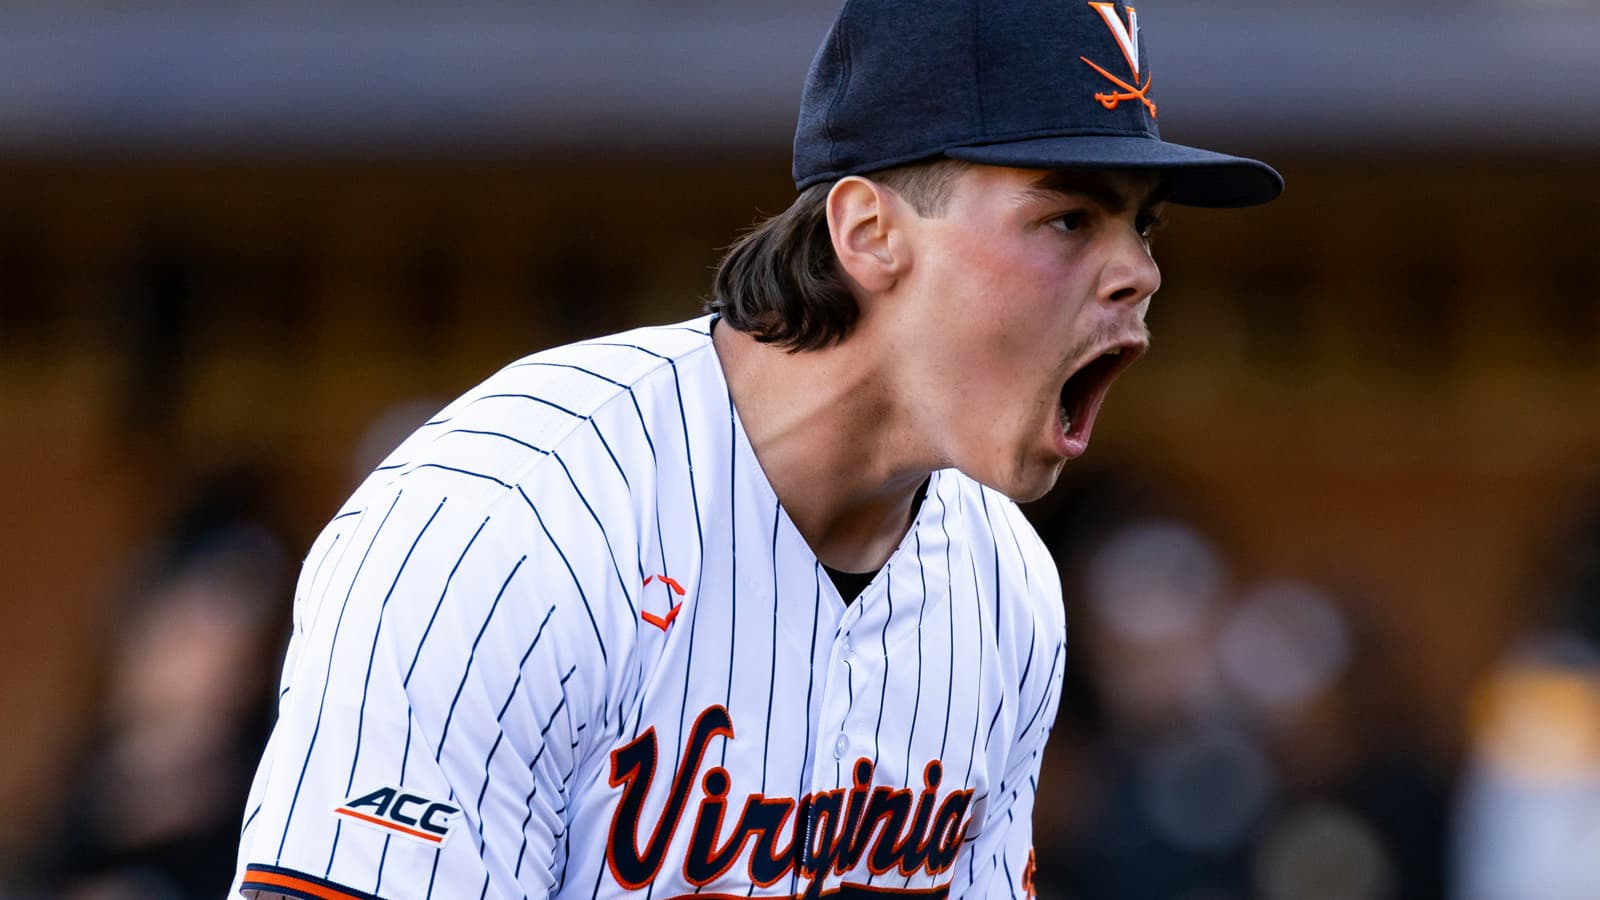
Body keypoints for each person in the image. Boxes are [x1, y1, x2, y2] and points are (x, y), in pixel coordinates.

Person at [231, 0, 1281, 897]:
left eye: (1144, 226)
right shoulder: (512, 517)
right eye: (1067, 218)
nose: (1138, 272)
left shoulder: (1004, 584)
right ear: (868, 233)